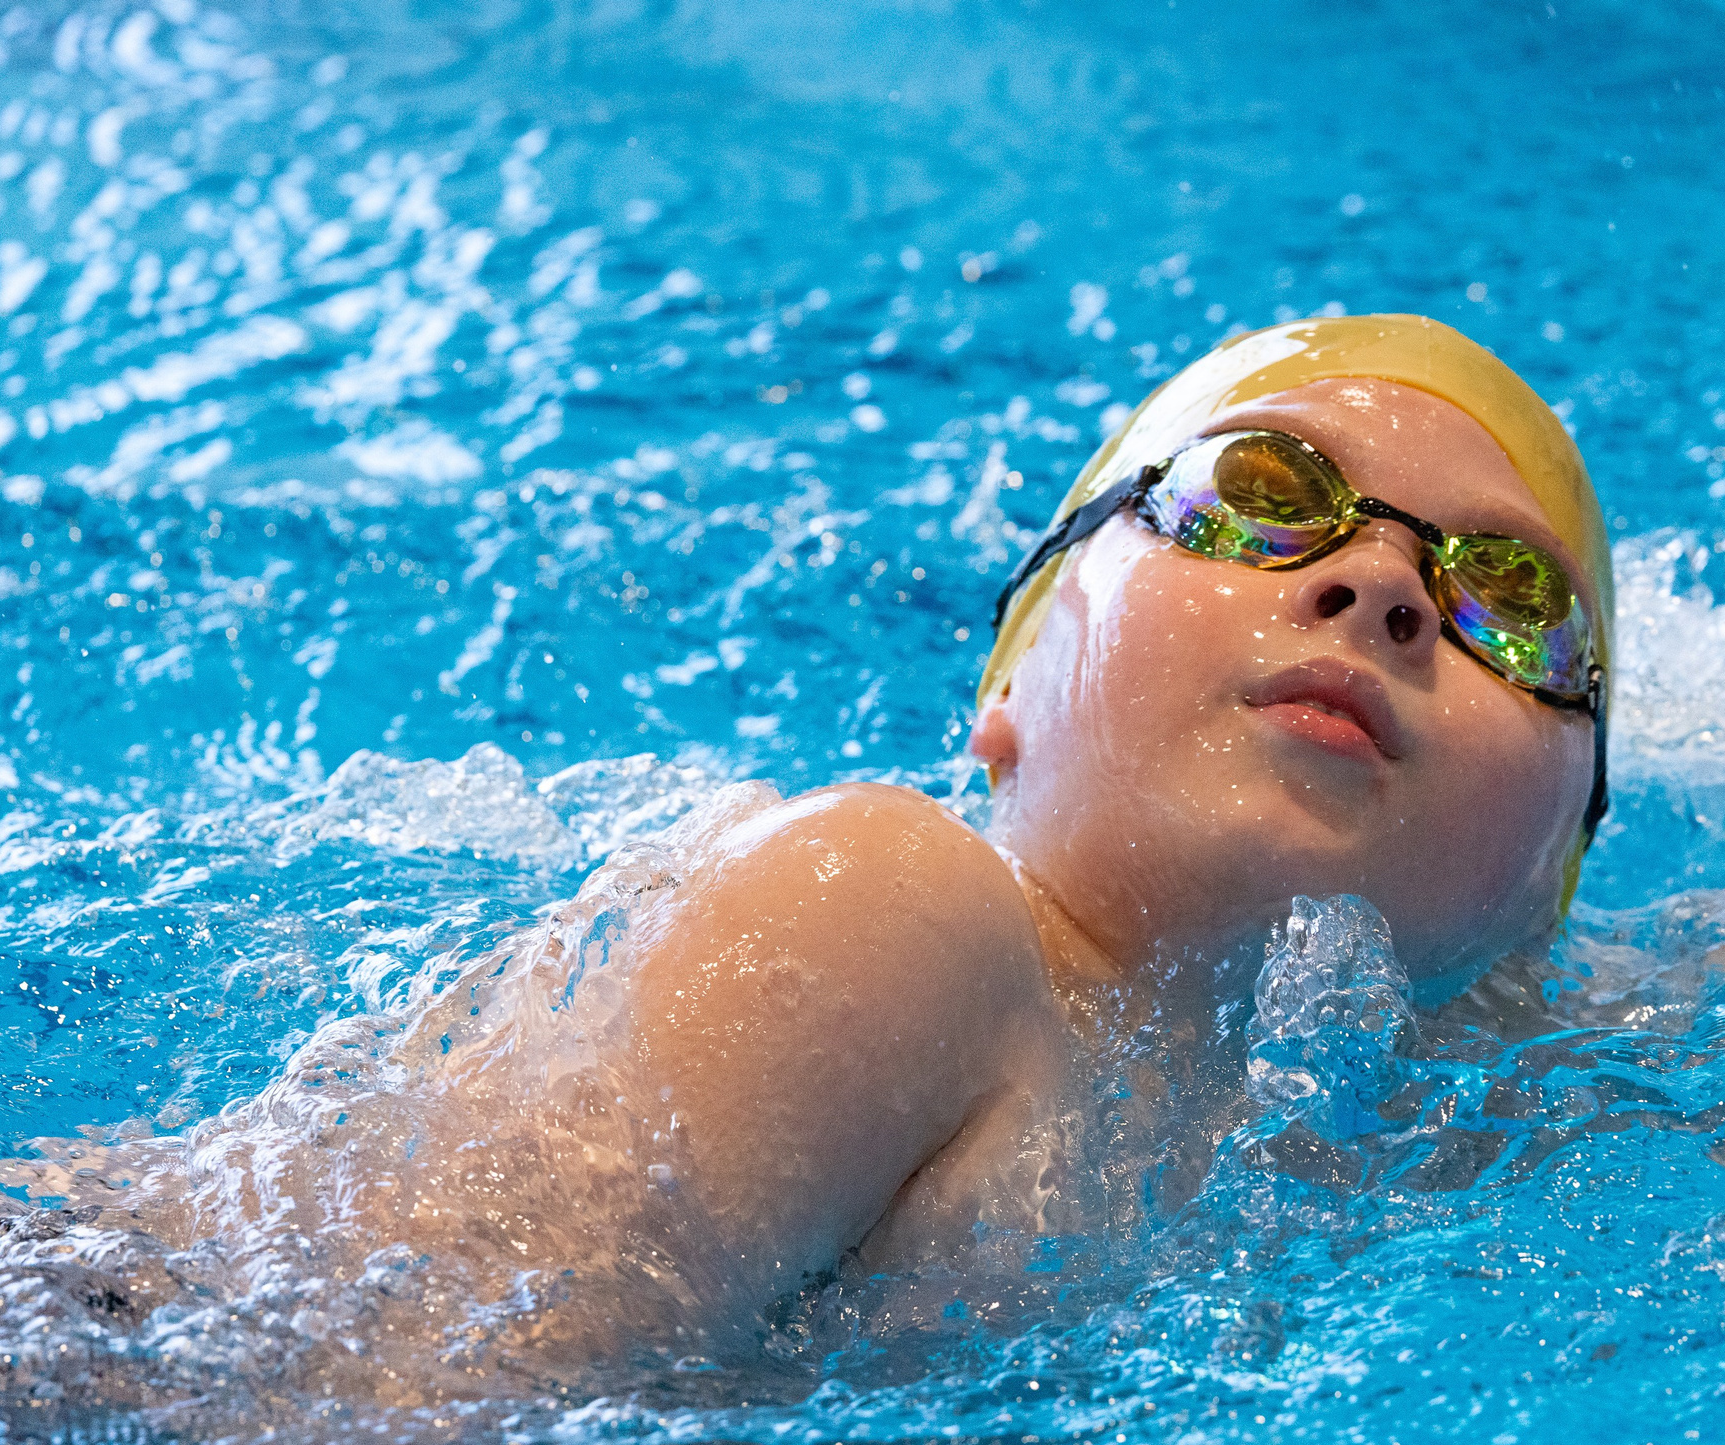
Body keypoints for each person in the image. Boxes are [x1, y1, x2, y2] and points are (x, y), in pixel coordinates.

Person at [576, 313, 1614, 1305]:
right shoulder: (876, 914)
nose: (1388, 586)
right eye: (1258, 492)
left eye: (1510, 599)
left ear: (1550, 875)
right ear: (1011, 684)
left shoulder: (1533, 1131)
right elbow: (425, 1419)